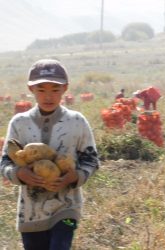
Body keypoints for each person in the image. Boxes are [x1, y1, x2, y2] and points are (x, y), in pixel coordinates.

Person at [0, 59, 100, 250]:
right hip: (30, 212)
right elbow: (5, 162)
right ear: (31, 89)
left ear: (65, 89)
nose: (48, 96)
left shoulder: (77, 121)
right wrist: (19, 174)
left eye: (55, 89)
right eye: (41, 90)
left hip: (67, 207)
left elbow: (91, 160)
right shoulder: (19, 123)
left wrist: (75, 176)